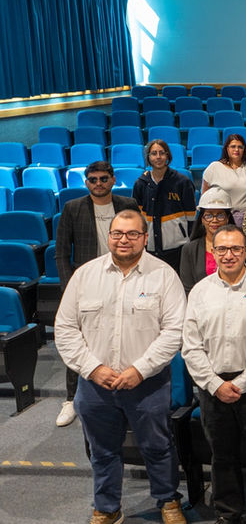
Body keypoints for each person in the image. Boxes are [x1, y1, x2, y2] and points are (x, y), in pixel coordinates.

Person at [55, 209, 188, 524]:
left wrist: (139, 370)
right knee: (101, 451)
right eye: (117, 233)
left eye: (131, 234)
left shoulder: (164, 275)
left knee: (158, 447)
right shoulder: (85, 275)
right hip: (95, 384)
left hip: (148, 384)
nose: (123, 239)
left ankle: (168, 501)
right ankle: (107, 507)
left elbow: (175, 330)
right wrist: (93, 368)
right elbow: (65, 329)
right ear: (109, 236)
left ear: (144, 237)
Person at [182, 224, 246, 524]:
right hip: (212, 386)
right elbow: (191, 347)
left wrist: (240, 383)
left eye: (236, 249)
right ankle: (228, 514)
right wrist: (215, 385)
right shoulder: (200, 291)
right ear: (213, 251)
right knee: (222, 456)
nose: (229, 255)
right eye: (222, 249)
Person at [54, 161, 139, 427]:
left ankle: (128, 386)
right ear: (86, 182)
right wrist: (71, 286)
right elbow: (61, 252)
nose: (98, 183)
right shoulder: (72, 208)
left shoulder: (128, 204)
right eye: (93, 179)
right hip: (89, 282)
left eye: (104, 179)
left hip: (126, 276)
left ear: (113, 180)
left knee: (126, 331)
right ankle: (71, 398)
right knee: (80, 338)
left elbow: (140, 241)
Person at [134, 139, 196, 270]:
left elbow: (191, 217)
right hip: (149, 246)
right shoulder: (141, 183)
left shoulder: (182, 182)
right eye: (154, 153)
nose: (158, 157)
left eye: (162, 153)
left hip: (176, 246)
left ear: (167, 156)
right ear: (148, 157)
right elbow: (137, 217)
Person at [180, 186, 246, 294]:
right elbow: (188, 289)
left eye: (220, 215)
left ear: (228, 218)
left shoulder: (242, 243)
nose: (214, 220)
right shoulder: (189, 249)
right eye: (209, 215)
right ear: (202, 219)